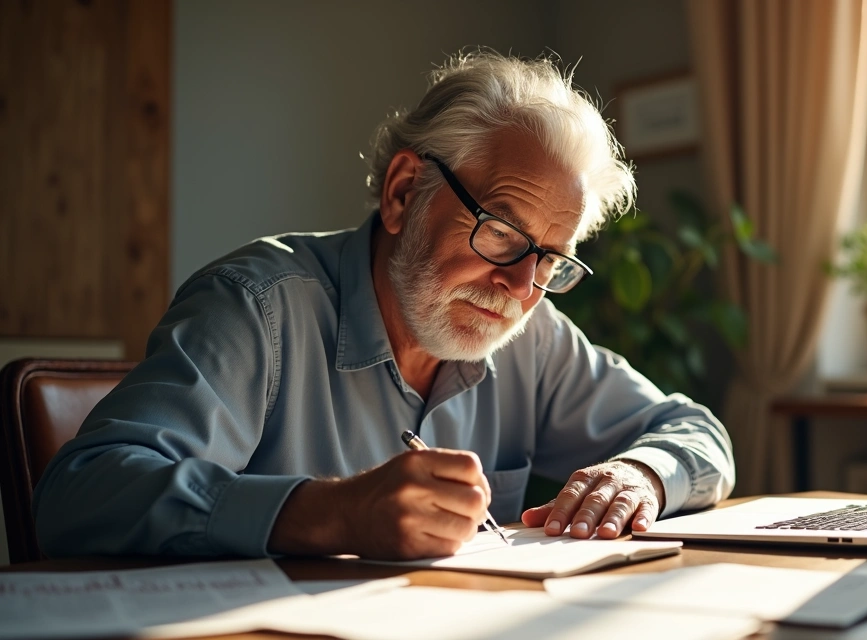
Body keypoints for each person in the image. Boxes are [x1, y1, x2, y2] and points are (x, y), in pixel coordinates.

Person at [33, 51, 735, 560]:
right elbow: (78, 496)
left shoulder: (534, 336)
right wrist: (323, 514)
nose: (523, 288)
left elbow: (697, 431)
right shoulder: (256, 307)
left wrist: (639, 473)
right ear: (403, 192)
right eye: (502, 233)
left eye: (550, 259)